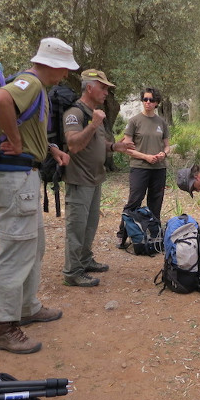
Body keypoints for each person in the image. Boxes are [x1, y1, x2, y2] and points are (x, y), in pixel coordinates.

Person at [0, 38, 78, 354]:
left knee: (33, 244)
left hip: (24, 174)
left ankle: (26, 307)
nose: (65, 75)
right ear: (52, 63)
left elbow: (29, 127)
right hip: (14, 175)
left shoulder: (36, 87)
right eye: (64, 68)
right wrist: (14, 139)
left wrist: (49, 149)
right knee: (16, 248)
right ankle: (3, 327)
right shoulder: (30, 82)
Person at [62, 69, 134, 287]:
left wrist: (114, 146)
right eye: (102, 88)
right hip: (79, 179)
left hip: (95, 179)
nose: (106, 92)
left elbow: (96, 143)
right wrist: (93, 124)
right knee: (76, 227)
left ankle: (84, 260)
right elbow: (73, 144)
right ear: (90, 88)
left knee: (90, 225)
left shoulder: (96, 113)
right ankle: (72, 272)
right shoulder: (75, 114)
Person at [116, 87, 170, 248]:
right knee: (134, 201)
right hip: (139, 167)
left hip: (159, 168)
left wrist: (163, 154)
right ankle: (122, 234)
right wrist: (145, 157)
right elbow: (127, 147)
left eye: (151, 100)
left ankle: (154, 236)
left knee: (156, 202)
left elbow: (167, 146)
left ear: (157, 103)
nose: (147, 102)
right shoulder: (134, 121)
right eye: (145, 99)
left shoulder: (162, 122)